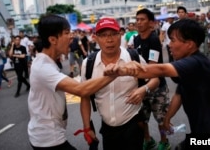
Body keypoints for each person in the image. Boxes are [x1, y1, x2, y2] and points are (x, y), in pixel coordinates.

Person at [104, 19, 210, 149]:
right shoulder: (188, 67)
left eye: (173, 40)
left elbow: (162, 69)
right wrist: (167, 118)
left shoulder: (197, 62)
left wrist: (124, 70)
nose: (169, 45)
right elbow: (179, 94)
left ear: (190, 44)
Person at [27, 14, 117, 150]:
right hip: (48, 140)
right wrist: (115, 74)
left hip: (48, 136)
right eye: (67, 33)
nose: (72, 37)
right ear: (52, 39)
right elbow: (82, 90)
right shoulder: (43, 68)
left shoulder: (47, 63)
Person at [80, 17, 160, 150]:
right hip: (107, 128)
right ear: (96, 38)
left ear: (120, 35)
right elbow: (85, 96)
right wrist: (87, 127)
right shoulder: (88, 64)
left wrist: (144, 89)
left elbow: (155, 78)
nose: (109, 40)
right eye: (104, 35)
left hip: (133, 124)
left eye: (113, 34)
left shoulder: (133, 57)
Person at [133, 8, 171, 150]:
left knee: (161, 118)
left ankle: (164, 141)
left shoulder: (154, 39)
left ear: (151, 23)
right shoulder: (135, 39)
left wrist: (135, 71)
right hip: (141, 86)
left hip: (157, 87)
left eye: (142, 19)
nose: (139, 22)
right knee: (141, 119)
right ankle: (148, 140)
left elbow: (152, 66)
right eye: (137, 19)